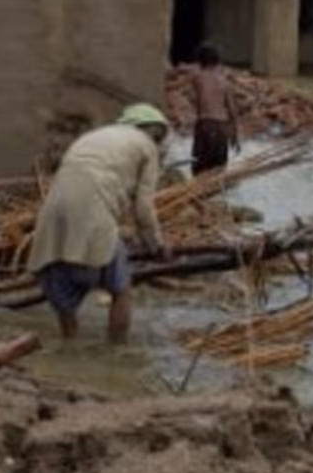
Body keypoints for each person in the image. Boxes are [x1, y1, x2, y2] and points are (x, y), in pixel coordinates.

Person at [27, 103, 171, 342]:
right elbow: (144, 208)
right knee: (121, 289)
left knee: (64, 297)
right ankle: (117, 353)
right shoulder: (146, 146)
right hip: (93, 211)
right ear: (152, 131)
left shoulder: (95, 137)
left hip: (53, 210)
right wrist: (156, 245)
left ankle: (69, 346)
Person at [189, 44, 240, 176]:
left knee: (199, 169)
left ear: (200, 62)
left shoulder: (197, 77)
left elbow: (193, 95)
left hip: (205, 125)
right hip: (222, 128)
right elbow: (233, 112)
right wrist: (235, 136)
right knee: (219, 170)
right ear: (218, 61)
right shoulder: (225, 82)